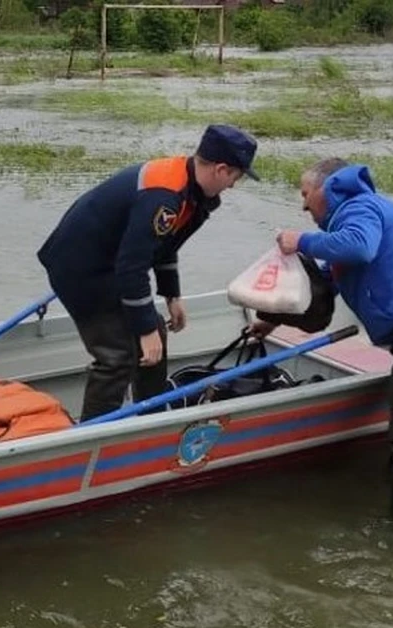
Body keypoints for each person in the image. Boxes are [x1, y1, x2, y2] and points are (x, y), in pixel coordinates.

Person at [249, 157, 393, 521]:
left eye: (305, 194)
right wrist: (271, 322)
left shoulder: (360, 208)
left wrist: (302, 240)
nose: (303, 205)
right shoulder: (347, 226)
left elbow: (360, 247)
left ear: (325, 189)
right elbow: (320, 296)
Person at [37, 124, 260, 422]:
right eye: (236, 176)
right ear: (221, 169)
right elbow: (133, 265)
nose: (233, 185)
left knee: (155, 331)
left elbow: (165, 245)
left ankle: (151, 417)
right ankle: (90, 435)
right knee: (117, 356)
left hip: (111, 262)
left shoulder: (191, 190)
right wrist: (143, 331)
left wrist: (171, 294)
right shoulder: (165, 196)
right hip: (81, 267)